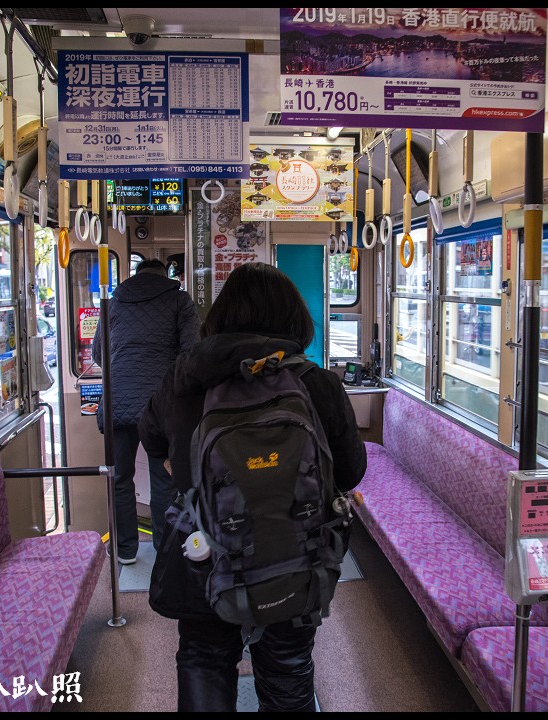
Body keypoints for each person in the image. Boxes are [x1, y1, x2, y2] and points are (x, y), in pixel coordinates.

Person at [139, 262, 367, 712]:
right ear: (294, 320)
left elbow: (151, 439)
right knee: (286, 664)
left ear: (222, 315)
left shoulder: (185, 381)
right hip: (294, 556)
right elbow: (352, 471)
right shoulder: (316, 384)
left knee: (205, 658)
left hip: (203, 555)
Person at [91, 258, 200, 565]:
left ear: (135, 276)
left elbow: (99, 354)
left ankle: (125, 550)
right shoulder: (179, 300)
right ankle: (164, 552)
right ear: (165, 275)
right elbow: (190, 352)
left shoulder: (112, 303)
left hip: (117, 402)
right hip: (161, 406)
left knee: (120, 478)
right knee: (163, 480)